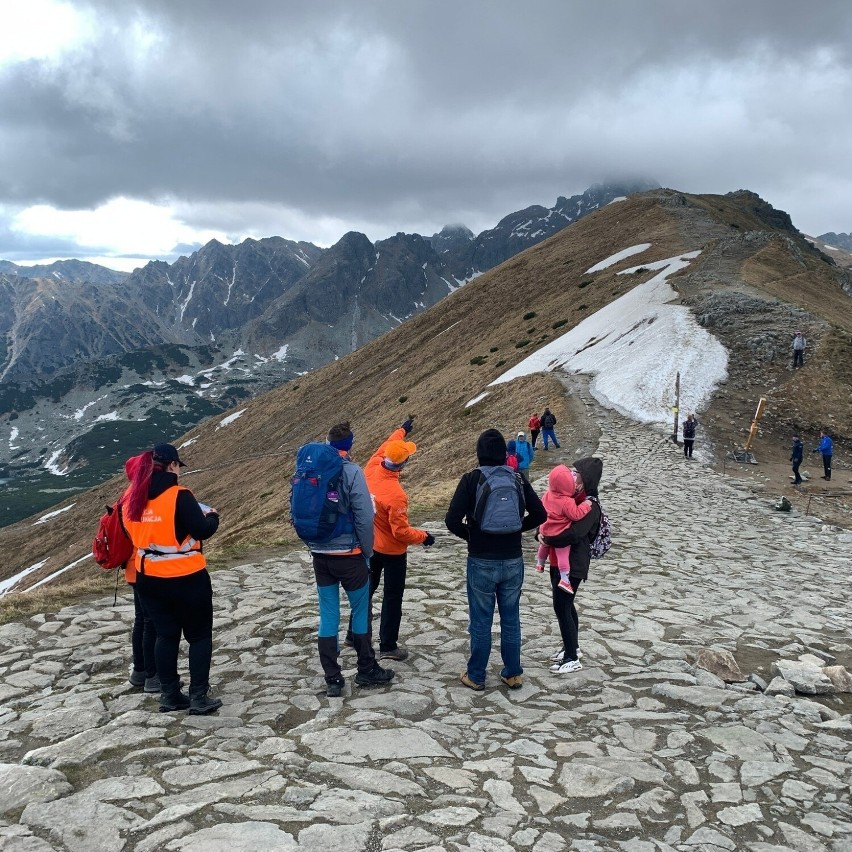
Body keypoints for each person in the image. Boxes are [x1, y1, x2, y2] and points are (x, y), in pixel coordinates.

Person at [123, 443, 222, 714]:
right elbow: (201, 530)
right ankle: (199, 696)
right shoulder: (180, 495)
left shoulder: (131, 497)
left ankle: (169, 694)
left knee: (165, 636)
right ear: (172, 466)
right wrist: (213, 516)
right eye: (178, 465)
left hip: (148, 577)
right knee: (199, 636)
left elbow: (130, 533)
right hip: (187, 575)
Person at [445, 429, 546, 691]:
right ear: (504, 453)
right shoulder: (517, 479)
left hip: (481, 558)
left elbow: (451, 520)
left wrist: (472, 536)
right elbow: (540, 514)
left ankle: (476, 675)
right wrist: (516, 528)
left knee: (481, 619)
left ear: (479, 453)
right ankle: (513, 673)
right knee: (511, 618)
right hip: (512, 558)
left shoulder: (471, 479)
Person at [305, 422, 394, 697]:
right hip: (350, 556)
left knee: (328, 614)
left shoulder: (310, 470)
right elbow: (365, 516)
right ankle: (367, 669)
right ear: (350, 445)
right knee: (360, 611)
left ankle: (333, 678)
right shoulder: (352, 471)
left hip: (320, 555)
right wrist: (367, 551)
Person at [351, 419, 434, 663]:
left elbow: (388, 443)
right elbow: (401, 533)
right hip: (394, 553)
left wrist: (402, 429)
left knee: (365, 592)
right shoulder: (397, 495)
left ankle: (352, 635)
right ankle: (388, 645)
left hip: (370, 545)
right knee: (392, 597)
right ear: (403, 464)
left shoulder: (371, 467)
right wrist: (424, 537)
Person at [539, 457, 603, 675]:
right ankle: (571, 646)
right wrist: (540, 534)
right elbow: (549, 520)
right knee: (565, 605)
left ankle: (572, 658)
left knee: (562, 605)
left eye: (577, 474)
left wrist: (548, 540)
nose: (573, 476)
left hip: (574, 563)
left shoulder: (590, 505)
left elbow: (574, 534)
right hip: (557, 561)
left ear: (585, 480)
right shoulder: (569, 498)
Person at [123, 453, 159, 694]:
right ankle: (152, 676)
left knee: (141, 620)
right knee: (151, 623)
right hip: (145, 567)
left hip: (133, 567)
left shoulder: (127, 495)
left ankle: (139, 671)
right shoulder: (141, 496)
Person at [534, 465, 592, 593]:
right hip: (559, 534)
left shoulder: (547, 495)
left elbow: (543, 510)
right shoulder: (567, 501)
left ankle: (540, 563)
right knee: (563, 556)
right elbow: (576, 514)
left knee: (543, 546)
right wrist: (586, 506)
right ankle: (565, 579)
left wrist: (540, 531)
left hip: (546, 529)